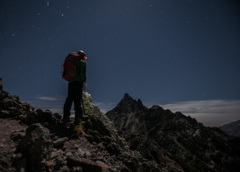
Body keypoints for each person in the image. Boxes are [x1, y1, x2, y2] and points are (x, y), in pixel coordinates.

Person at [62, 50, 87, 125]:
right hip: (78, 82)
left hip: (71, 82)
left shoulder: (72, 61)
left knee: (69, 98)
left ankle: (66, 116)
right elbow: (82, 73)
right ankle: (78, 117)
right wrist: (84, 82)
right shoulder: (81, 61)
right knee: (77, 99)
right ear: (83, 56)